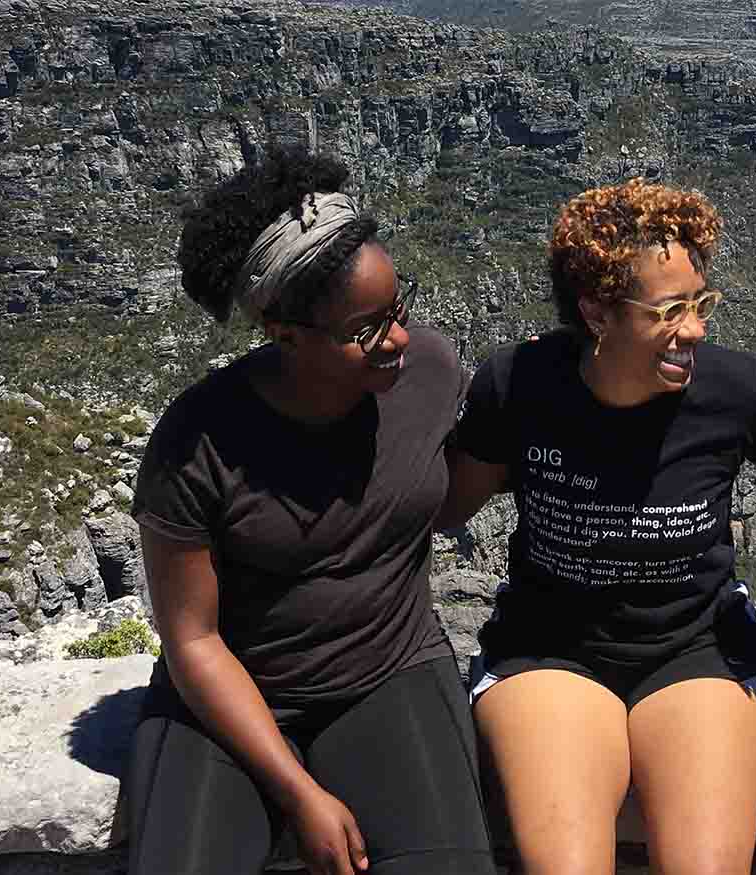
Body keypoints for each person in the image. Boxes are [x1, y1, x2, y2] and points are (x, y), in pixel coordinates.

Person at [120, 146, 495, 875]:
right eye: (368, 329)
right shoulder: (196, 441)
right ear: (283, 331)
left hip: (389, 670)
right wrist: (300, 794)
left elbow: (441, 499)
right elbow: (193, 642)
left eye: (400, 309)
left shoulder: (429, 374)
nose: (399, 339)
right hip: (239, 692)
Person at [440, 178, 756, 875]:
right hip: (549, 649)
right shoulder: (519, 385)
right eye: (670, 310)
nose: (696, 328)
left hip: (699, 647)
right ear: (597, 312)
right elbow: (448, 504)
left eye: (702, 303)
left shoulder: (735, 393)